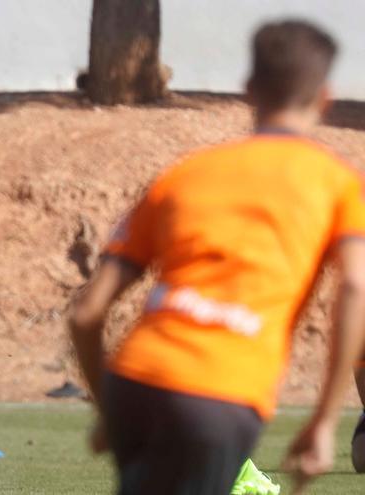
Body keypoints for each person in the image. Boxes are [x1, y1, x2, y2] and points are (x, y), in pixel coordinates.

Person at [68, 20, 365, 495]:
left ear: (249, 90)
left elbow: (85, 313)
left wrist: (109, 409)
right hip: (220, 391)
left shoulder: (184, 176)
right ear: (325, 98)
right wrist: (326, 420)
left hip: (134, 383)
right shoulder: (337, 184)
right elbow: (355, 288)